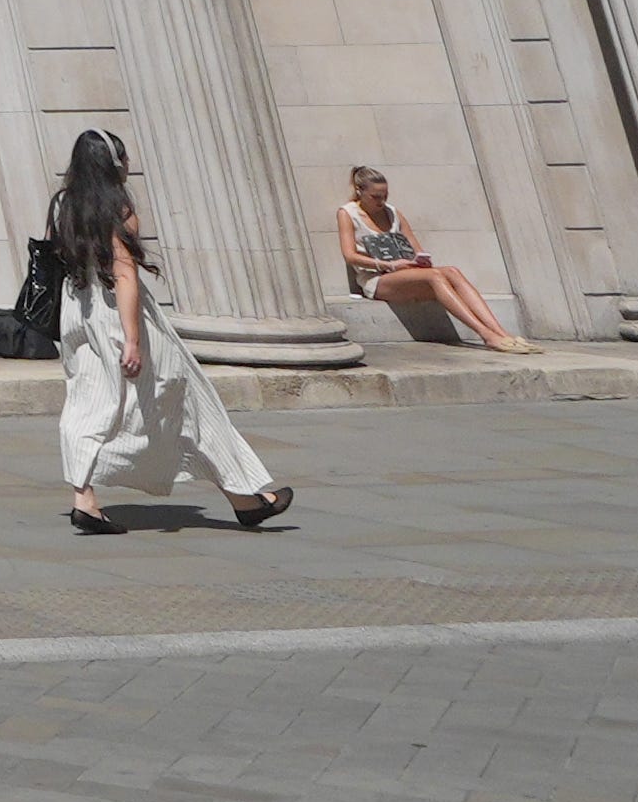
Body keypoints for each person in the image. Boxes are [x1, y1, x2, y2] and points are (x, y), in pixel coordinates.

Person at [51, 127, 290, 534]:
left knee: (87, 400)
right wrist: (132, 338)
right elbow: (124, 273)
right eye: (123, 157)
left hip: (80, 310)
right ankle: (244, 497)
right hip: (116, 312)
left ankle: (84, 498)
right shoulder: (117, 208)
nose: (129, 164)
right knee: (189, 399)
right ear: (111, 163)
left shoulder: (64, 205)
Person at [335, 166, 533, 354]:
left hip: (405, 273)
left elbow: (416, 248)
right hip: (377, 278)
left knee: (451, 271)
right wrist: (389, 264)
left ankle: (501, 333)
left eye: (385, 196)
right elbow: (350, 255)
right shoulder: (348, 213)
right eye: (375, 197)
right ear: (360, 191)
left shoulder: (393, 213)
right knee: (435, 277)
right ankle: (486, 335)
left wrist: (419, 261)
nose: (381, 202)